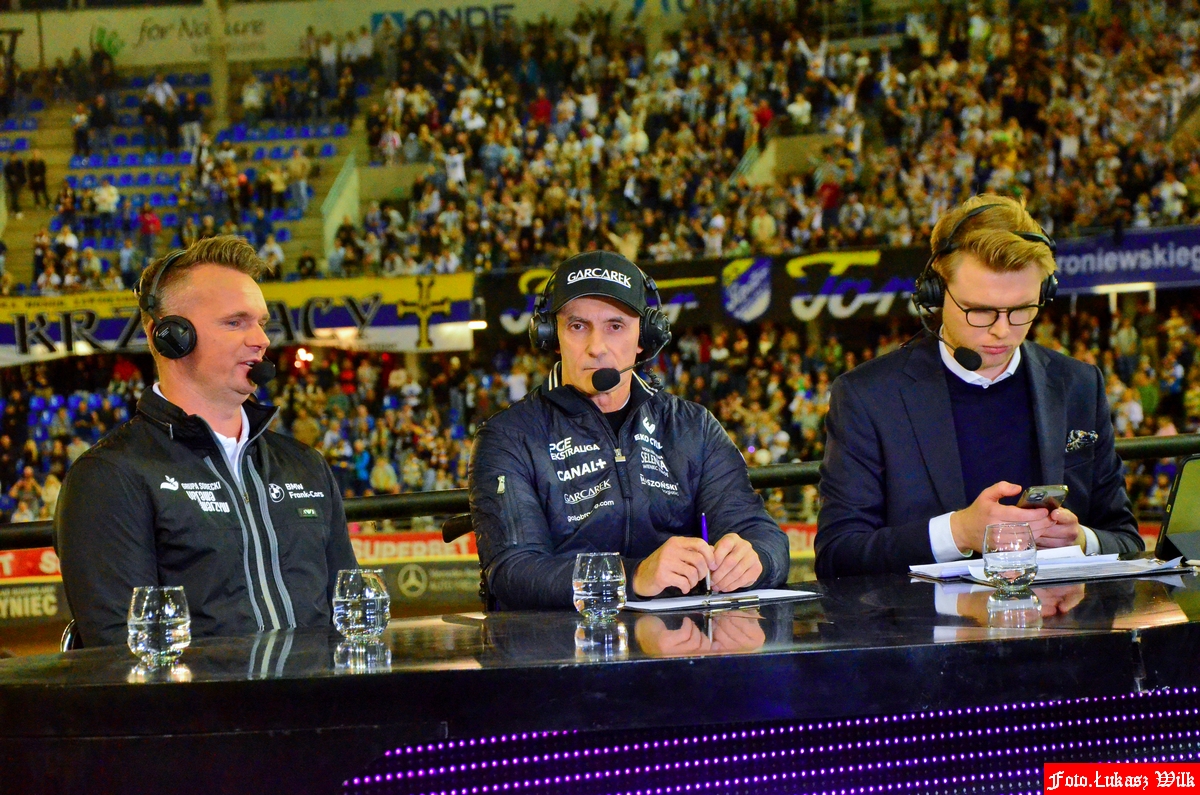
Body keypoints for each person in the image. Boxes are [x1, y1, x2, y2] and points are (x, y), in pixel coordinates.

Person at [815, 195, 1142, 578]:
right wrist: (957, 533)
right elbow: (837, 556)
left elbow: (1127, 540)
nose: (1002, 331)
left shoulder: (1080, 384)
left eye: (1022, 309)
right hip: (924, 617)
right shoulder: (867, 396)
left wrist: (1082, 540)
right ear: (936, 293)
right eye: (980, 310)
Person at [56, 236, 358, 648]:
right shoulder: (110, 476)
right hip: (202, 694)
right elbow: (121, 652)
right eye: (235, 322)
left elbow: (349, 614)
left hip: (320, 690)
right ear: (169, 336)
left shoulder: (306, 465)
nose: (261, 339)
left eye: (261, 322)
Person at [469, 251, 790, 609]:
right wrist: (632, 576)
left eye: (615, 326)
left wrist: (756, 559)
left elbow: (762, 534)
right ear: (552, 336)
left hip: (681, 637)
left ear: (644, 337)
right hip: (561, 638)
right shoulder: (508, 436)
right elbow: (513, 570)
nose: (596, 348)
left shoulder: (693, 426)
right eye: (578, 326)